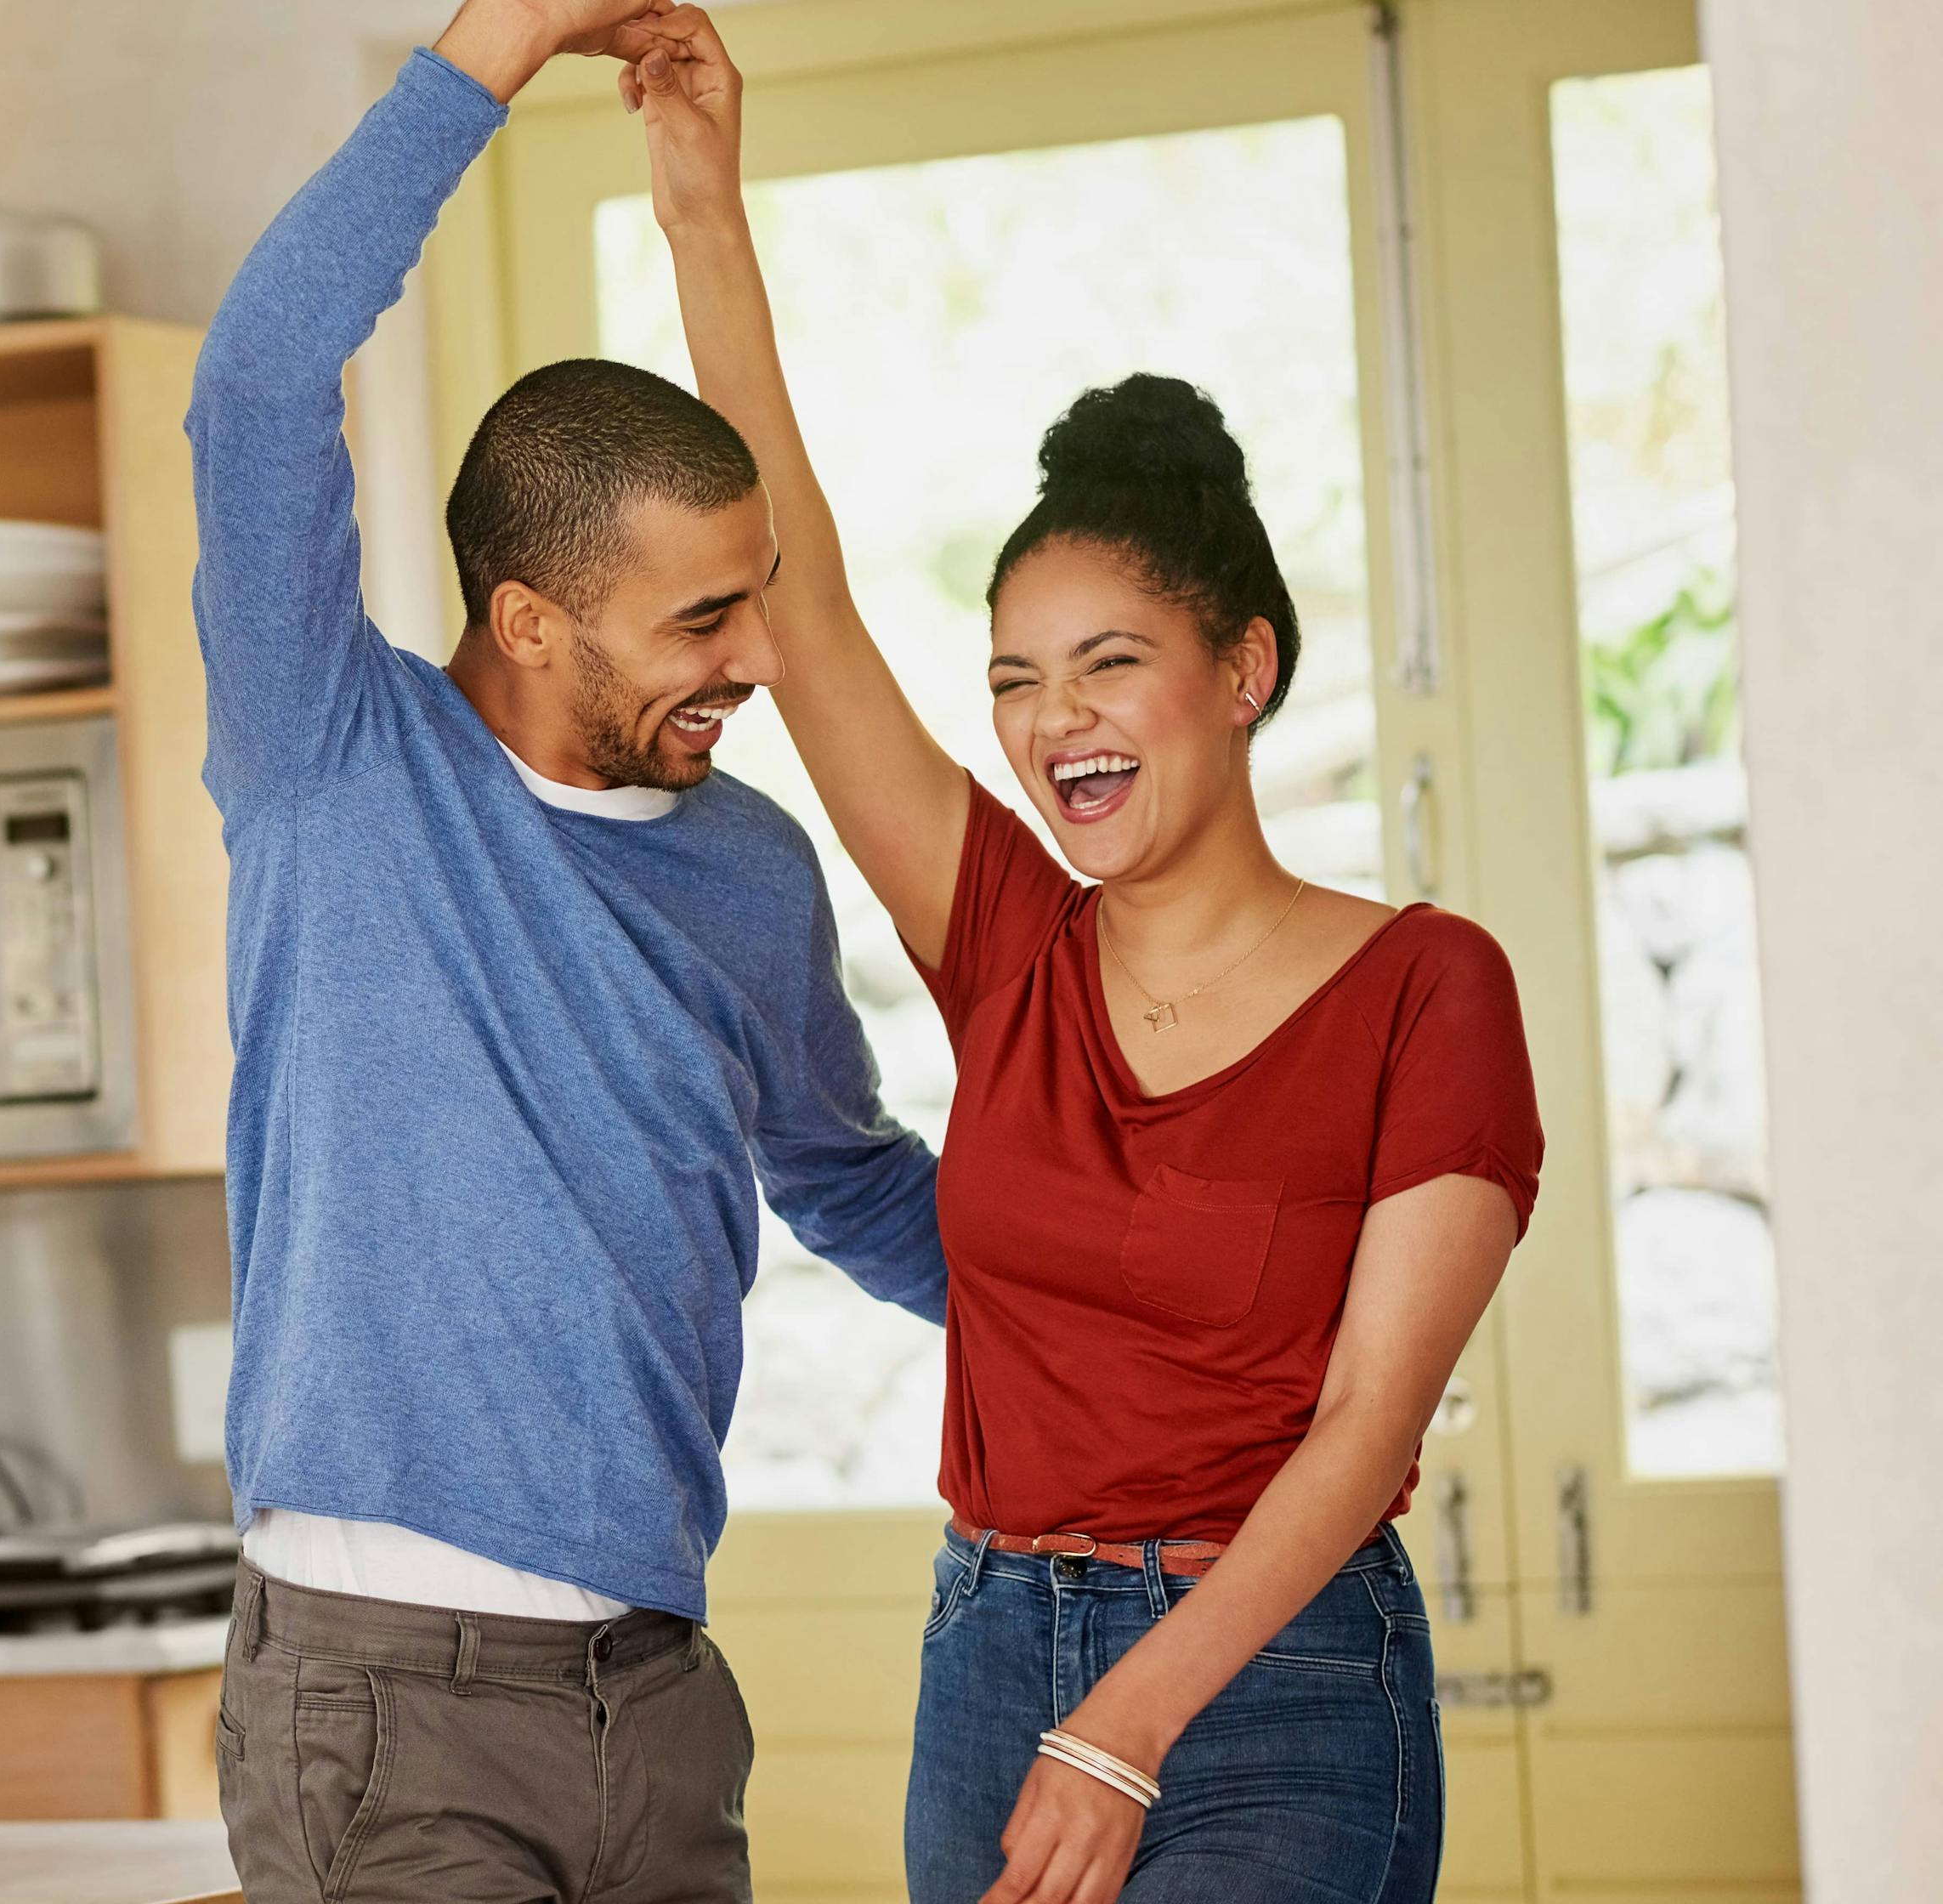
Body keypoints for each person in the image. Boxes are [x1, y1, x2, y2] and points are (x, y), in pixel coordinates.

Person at [620, 13, 1544, 1903]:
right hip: (984, 1656)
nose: (1057, 726)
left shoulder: (1431, 991)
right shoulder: (1006, 944)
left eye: (1108, 664)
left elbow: (1369, 1432)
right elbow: (794, 598)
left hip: (1274, 1678)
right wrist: (702, 200)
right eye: (1016, 684)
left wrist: (1129, 1721)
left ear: (1246, 670)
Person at [186, 3, 951, 1899]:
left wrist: (1173, 1312)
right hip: (383, 1708)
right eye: (703, 620)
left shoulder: (751, 871)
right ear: (530, 622)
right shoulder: (334, 765)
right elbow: (259, 387)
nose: (756, 661)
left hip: (661, 1693)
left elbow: (855, 1187)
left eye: (754, 603)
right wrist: (498, 47)